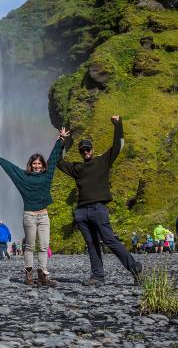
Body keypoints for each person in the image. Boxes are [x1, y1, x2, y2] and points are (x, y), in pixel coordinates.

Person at [57, 116, 143, 285]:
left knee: (110, 240)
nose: (85, 152)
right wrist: (65, 141)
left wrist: (118, 124)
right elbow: (59, 162)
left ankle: (135, 268)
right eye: (82, 150)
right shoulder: (77, 168)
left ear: (93, 150)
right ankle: (97, 276)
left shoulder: (103, 161)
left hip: (98, 209)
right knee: (91, 244)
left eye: (87, 149)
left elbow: (119, 146)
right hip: (82, 212)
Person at [0, 128, 67, 286]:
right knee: (29, 246)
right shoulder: (23, 176)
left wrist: (61, 141)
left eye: (39, 163)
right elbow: (10, 168)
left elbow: (53, 157)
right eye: (34, 163)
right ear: (30, 165)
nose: (37, 166)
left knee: (43, 246)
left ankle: (43, 274)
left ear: (43, 165)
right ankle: (29, 274)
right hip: (29, 216)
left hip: (44, 216)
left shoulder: (47, 175)